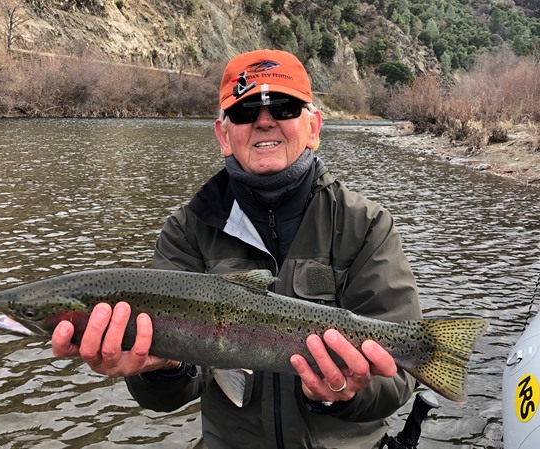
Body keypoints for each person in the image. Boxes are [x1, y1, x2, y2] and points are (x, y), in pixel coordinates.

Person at [52, 49, 422, 449]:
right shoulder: (188, 229)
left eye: (283, 107)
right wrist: (162, 369)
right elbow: (165, 398)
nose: (265, 121)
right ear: (223, 135)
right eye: (245, 112)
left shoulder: (364, 224)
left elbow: (400, 379)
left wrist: (340, 394)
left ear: (314, 126)